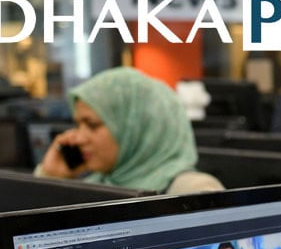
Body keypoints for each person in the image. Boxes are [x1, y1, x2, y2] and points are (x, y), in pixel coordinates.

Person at [37, 67, 223, 194]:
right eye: (78, 125)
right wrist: (51, 178)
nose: (78, 138)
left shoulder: (194, 190)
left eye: (92, 125)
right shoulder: (99, 185)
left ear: (136, 128)